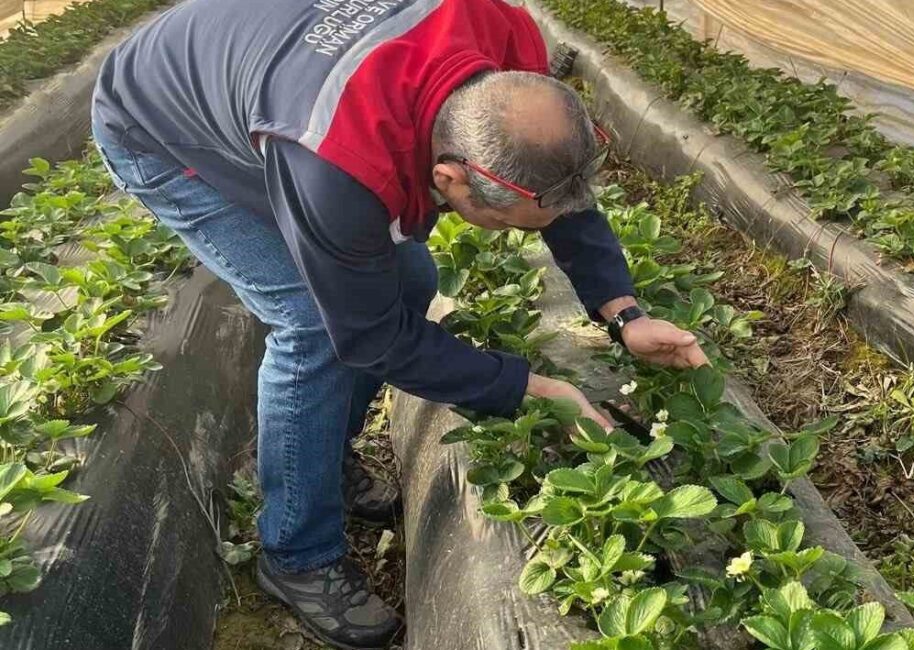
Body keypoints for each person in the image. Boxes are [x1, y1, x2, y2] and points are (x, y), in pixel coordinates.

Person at [91, 0, 707, 647]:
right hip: (162, 129)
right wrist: (535, 388)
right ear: (449, 178)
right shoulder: (335, 162)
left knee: (411, 278)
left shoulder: (506, 40)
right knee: (311, 322)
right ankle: (297, 553)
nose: (512, 234)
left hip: (273, 79)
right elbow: (367, 334)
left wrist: (624, 314)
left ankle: (324, 457)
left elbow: (560, 190)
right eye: (504, 225)